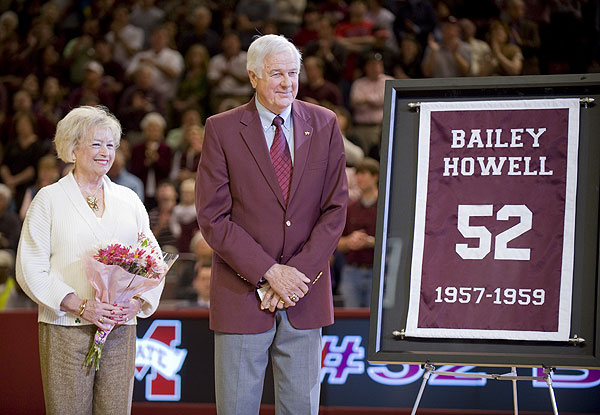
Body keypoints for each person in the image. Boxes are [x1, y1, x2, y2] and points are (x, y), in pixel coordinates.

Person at [195, 34, 348, 414]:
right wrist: (268, 272)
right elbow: (213, 216)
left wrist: (294, 276)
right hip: (242, 294)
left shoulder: (325, 123)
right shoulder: (222, 129)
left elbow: (335, 210)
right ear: (252, 77)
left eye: (293, 73)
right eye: (276, 74)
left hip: (303, 295)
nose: (287, 83)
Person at [15, 105, 165, 414]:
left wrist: (134, 304)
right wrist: (82, 306)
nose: (105, 152)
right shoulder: (48, 200)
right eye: (96, 143)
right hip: (66, 327)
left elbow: (153, 262)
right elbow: (30, 267)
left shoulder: (129, 200)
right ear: (72, 147)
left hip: (120, 328)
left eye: (110, 144)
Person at [337, 157, 378, 307]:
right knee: (351, 317)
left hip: (378, 271)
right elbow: (337, 243)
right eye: (357, 174)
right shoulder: (350, 208)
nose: (359, 178)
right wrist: (350, 242)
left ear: (375, 176)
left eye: (364, 173)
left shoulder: (386, 208)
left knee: (374, 318)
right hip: (351, 271)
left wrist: (370, 242)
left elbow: (396, 241)